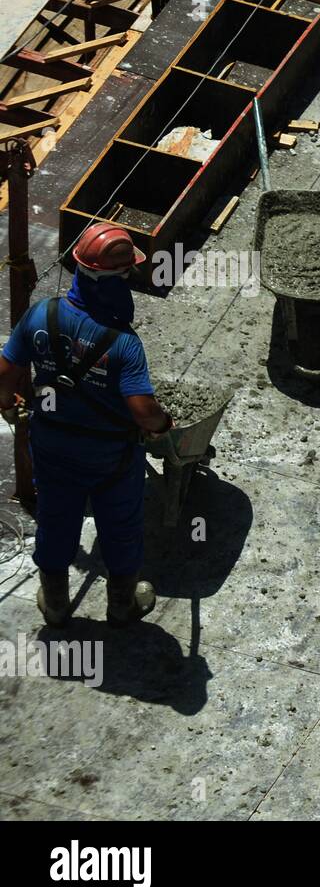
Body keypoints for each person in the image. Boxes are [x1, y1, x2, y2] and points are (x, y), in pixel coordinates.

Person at [0, 223, 172, 627]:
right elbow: (142, 407)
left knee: (56, 518)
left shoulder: (43, 313)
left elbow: (6, 369)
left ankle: (56, 605)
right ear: (119, 278)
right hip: (109, 457)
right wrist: (162, 425)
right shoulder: (125, 344)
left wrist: (7, 406)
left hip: (51, 447)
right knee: (121, 524)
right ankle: (122, 605)